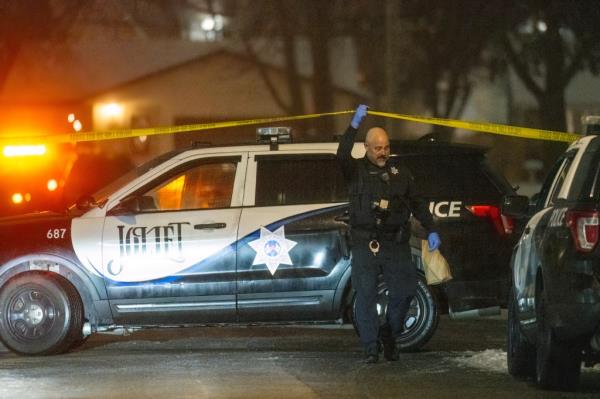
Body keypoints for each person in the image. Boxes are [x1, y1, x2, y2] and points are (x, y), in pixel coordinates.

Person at [337, 104, 441, 363]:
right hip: (365, 242)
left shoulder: (400, 173)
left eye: (386, 147)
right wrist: (354, 124)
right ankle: (371, 347)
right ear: (367, 148)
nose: (383, 152)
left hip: (395, 242)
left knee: (405, 292)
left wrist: (431, 229)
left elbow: (417, 203)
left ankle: (389, 334)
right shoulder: (356, 171)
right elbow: (341, 154)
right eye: (378, 148)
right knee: (366, 295)